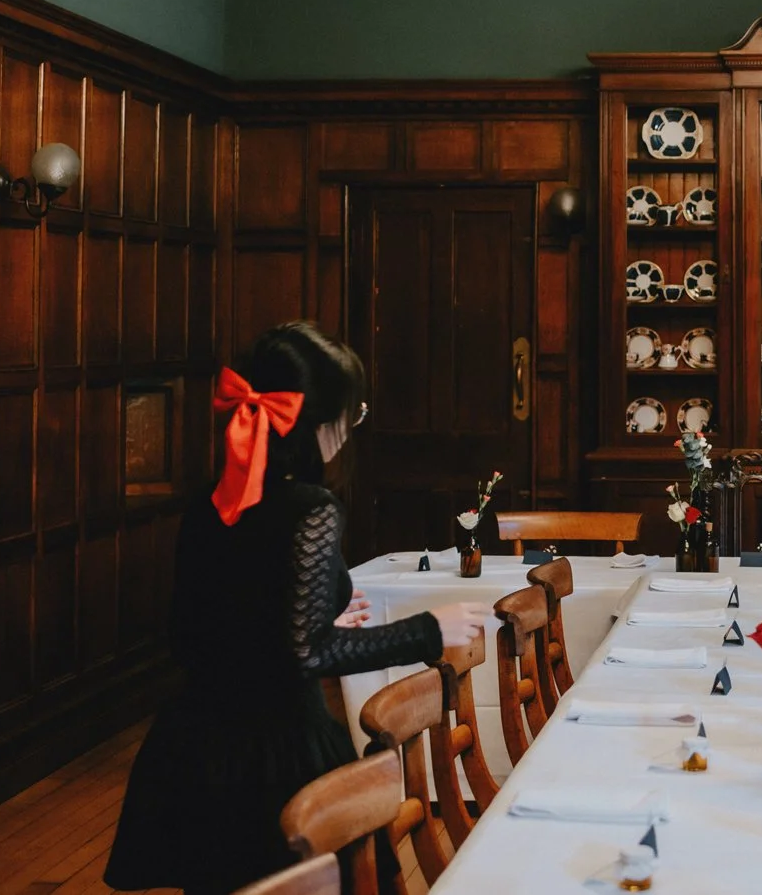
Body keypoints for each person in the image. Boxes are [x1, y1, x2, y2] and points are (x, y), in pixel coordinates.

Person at [107, 322, 489, 895]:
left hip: (200, 749)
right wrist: (428, 630)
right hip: (278, 753)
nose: (351, 428)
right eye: (350, 413)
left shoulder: (212, 503)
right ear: (319, 422)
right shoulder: (311, 508)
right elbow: (307, 654)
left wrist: (313, 615)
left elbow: (194, 634)